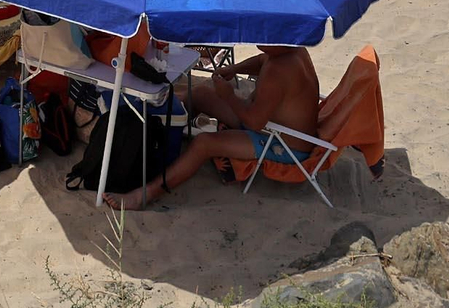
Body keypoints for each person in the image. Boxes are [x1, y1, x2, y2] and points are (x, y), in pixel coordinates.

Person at [108, 47, 320, 211]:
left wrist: (227, 94)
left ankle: (145, 194)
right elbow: (262, 60)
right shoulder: (290, 50)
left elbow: (255, 122)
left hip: (284, 144)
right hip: (270, 125)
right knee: (200, 93)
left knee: (204, 143)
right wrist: (234, 69)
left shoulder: (280, 70)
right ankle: (154, 127)